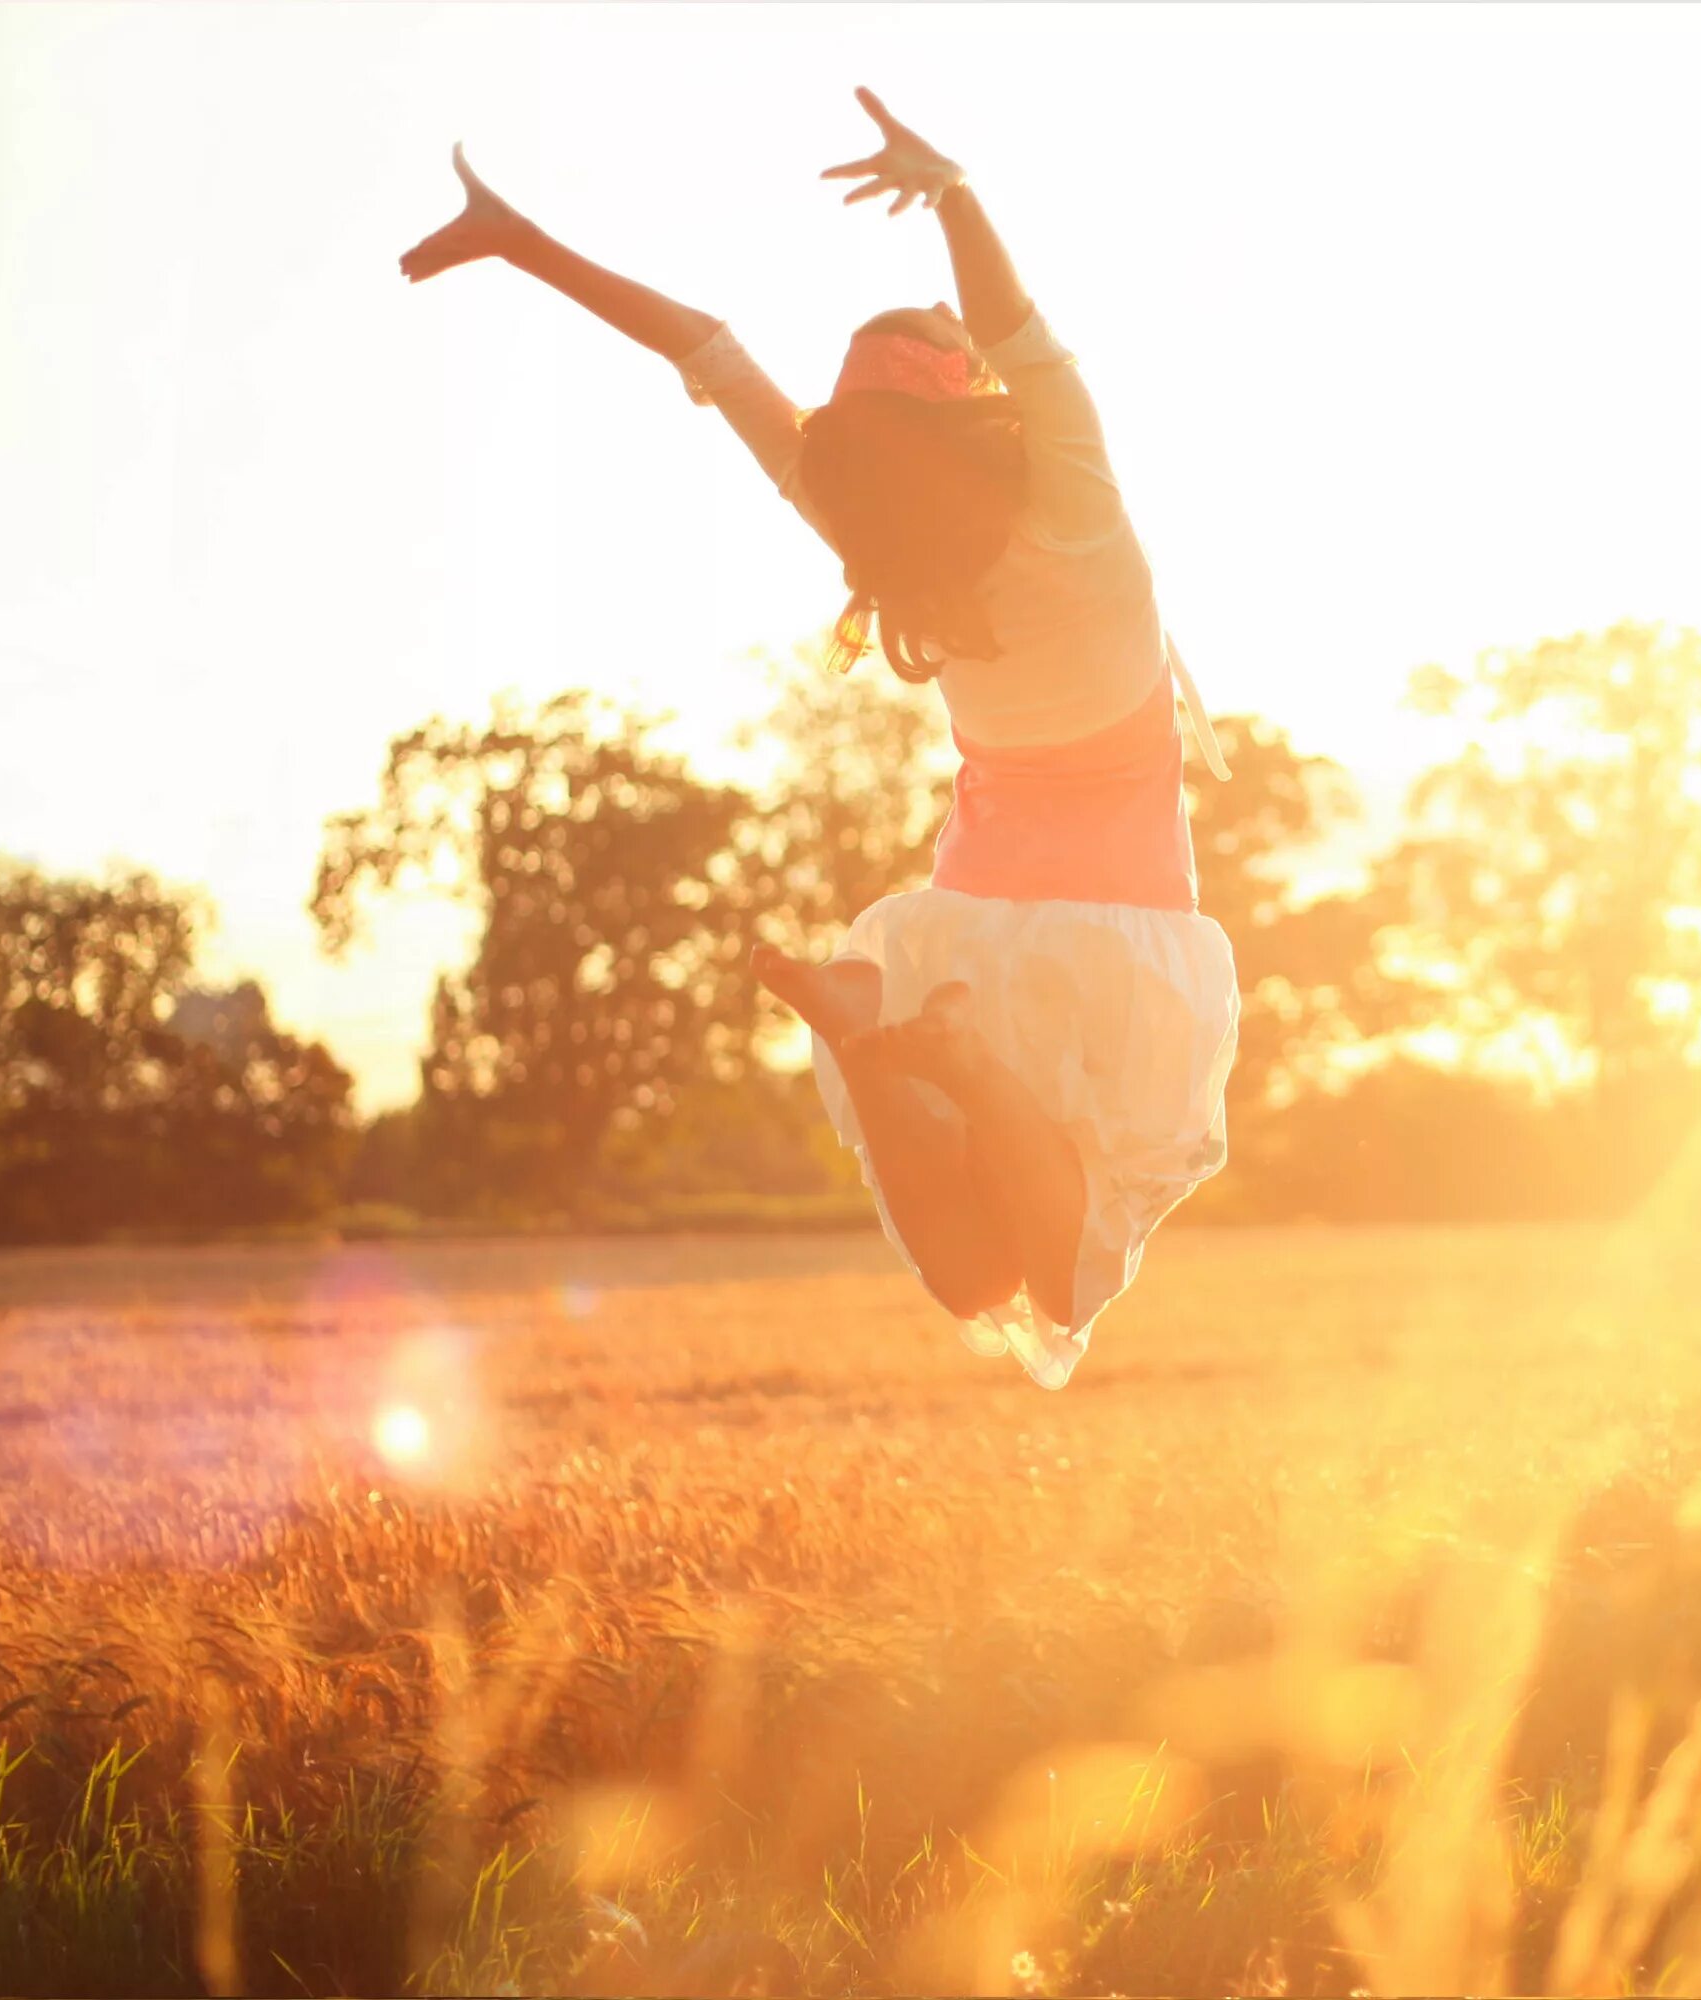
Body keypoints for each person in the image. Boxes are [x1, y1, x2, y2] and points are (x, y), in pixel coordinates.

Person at [400, 85, 1239, 1389]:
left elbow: (709, 348)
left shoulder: (869, 535)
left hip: (975, 912)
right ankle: (931, 1046)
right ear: (975, 398)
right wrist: (952, 191)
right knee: (1065, 1274)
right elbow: (1026, 332)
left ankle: (867, 1029)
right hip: (1116, 920)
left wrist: (525, 245)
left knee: (975, 1279)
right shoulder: (1071, 499)